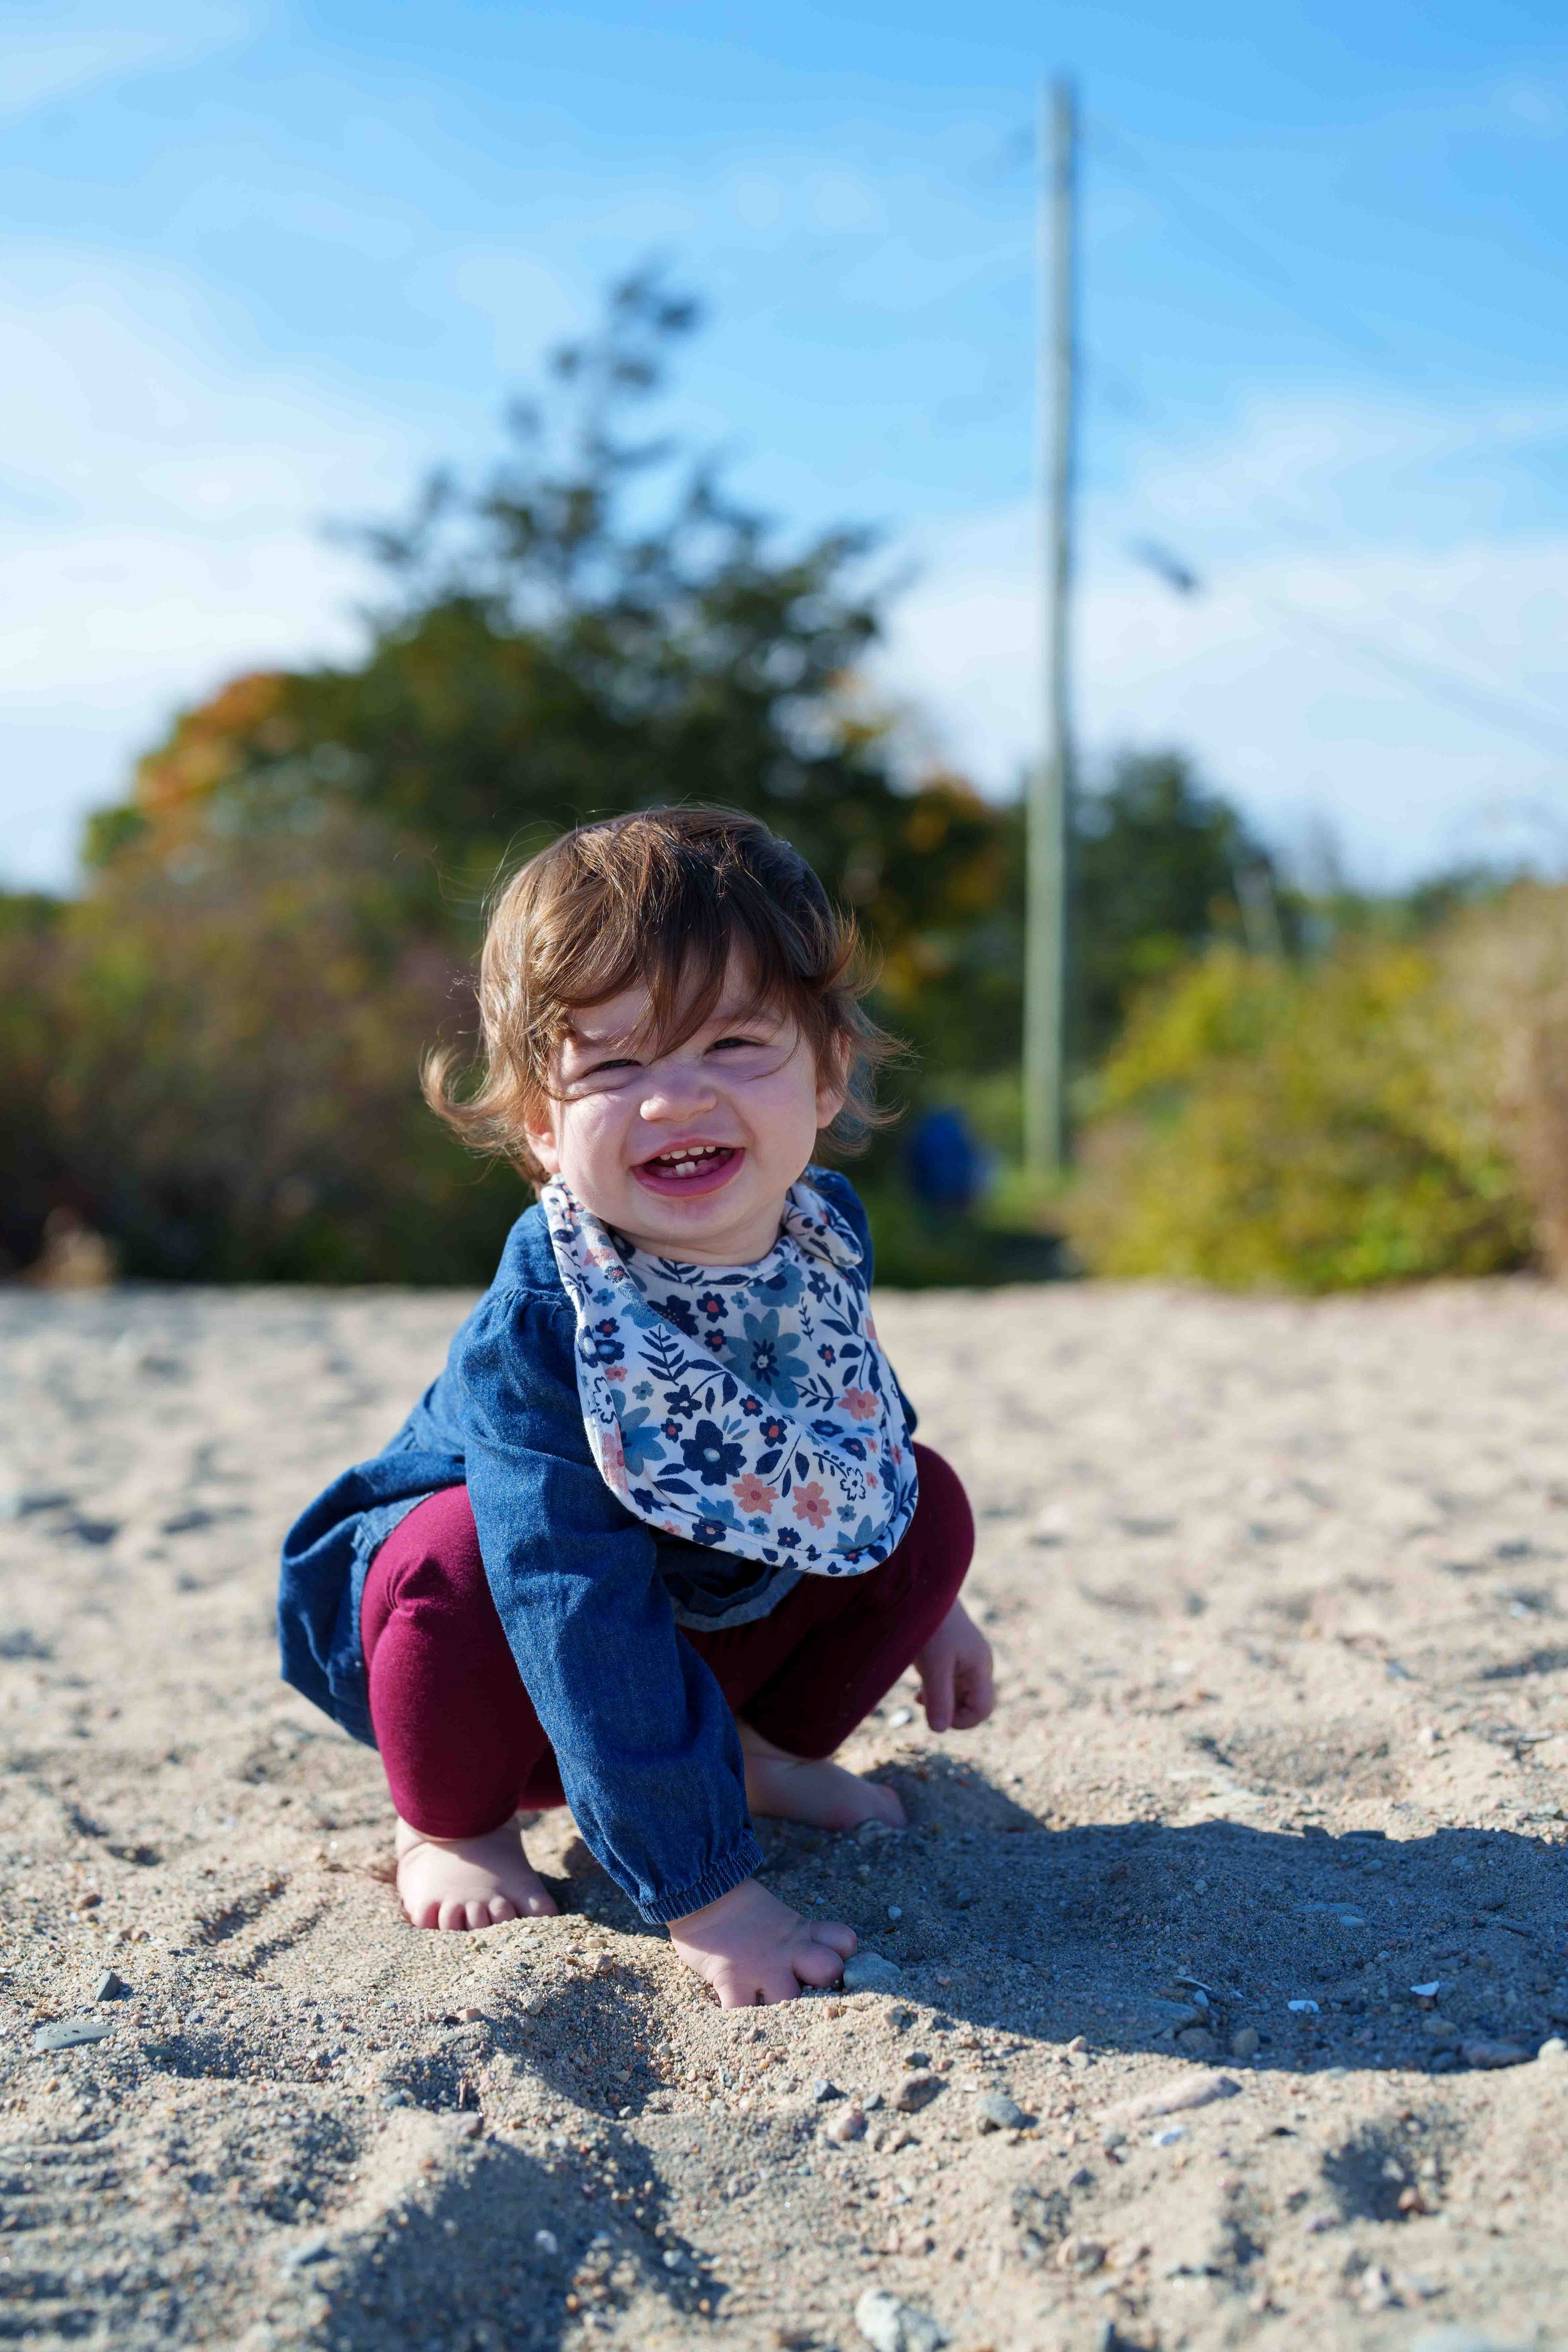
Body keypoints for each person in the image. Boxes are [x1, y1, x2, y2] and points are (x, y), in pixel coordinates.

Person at [278, 807, 994, 2008]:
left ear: (827, 1073)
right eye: (613, 1066)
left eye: (732, 1042)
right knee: (457, 1552)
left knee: (925, 1497)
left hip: (689, 1621)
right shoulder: (553, 1317)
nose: (673, 1100)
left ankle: (758, 1753)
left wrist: (920, 1591)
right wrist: (709, 1895)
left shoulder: (816, 1235)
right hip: (488, 1666)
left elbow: (850, 1418)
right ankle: (449, 1822)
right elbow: (569, 1597)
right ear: (542, 1125)